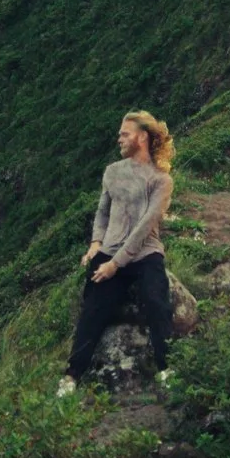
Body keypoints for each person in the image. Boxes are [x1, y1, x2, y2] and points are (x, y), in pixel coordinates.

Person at [59, 110, 174, 393]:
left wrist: (116, 264)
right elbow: (102, 213)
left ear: (142, 137)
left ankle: (166, 368)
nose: (119, 138)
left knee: (156, 300)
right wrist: (95, 244)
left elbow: (146, 225)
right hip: (109, 249)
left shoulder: (161, 180)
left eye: (125, 133)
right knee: (94, 309)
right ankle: (72, 376)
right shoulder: (112, 172)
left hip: (145, 252)